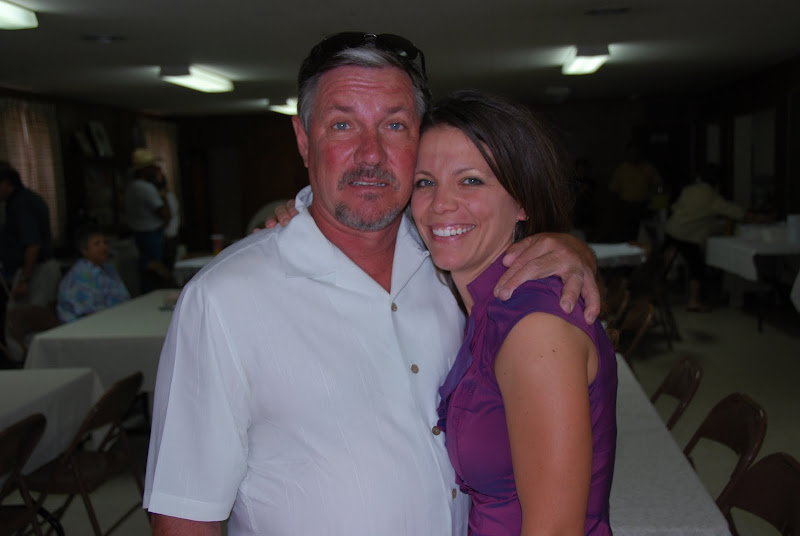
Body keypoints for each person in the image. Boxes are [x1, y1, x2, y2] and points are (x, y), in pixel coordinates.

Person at [144, 32, 600, 536]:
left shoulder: (449, 261)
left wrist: (572, 251)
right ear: (303, 139)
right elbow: (184, 514)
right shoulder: (224, 299)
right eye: (343, 125)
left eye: (394, 125)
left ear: (418, 140)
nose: (371, 154)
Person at [411, 90, 617, 535]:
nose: (441, 203)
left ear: (522, 201)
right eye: (424, 182)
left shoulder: (535, 330)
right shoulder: (486, 304)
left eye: (470, 180)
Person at [664, 163, 761, 311]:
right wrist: (760, 218)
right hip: (686, 235)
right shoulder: (712, 197)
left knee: (666, 263)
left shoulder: (689, 190)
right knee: (697, 268)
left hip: (672, 229)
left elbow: (675, 207)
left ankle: (656, 291)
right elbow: (736, 212)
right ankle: (693, 301)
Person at [0, 162, 55, 305]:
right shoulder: (19, 200)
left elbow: (33, 244)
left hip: (35, 272)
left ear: (6, 183)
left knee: (29, 315)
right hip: (28, 270)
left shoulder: (22, 203)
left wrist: (25, 280)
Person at [56, 224, 130, 323]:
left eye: (105, 243)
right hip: (89, 325)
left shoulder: (109, 268)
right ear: (84, 251)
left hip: (118, 317)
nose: (103, 247)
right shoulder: (79, 276)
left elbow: (123, 297)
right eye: (97, 244)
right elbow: (89, 313)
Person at [124, 148, 171, 292]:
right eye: (151, 166)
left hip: (140, 233)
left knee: (147, 270)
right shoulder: (145, 188)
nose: (155, 168)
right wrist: (163, 194)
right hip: (150, 234)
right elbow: (164, 213)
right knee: (154, 271)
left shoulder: (131, 187)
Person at [609, 141, 661, 241]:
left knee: (643, 234)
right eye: (631, 153)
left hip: (643, 206)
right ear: (627, 154)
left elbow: (658, 185)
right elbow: (614, 190)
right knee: (626, 233)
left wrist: (656, 202)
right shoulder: (621, 169)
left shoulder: (648, 167)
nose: (633, 156)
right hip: (626, 206)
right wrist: (615, 209)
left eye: (636, 153)